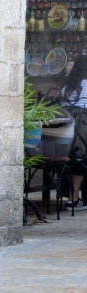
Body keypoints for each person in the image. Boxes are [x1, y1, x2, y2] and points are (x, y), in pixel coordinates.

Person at [60, 54, 87, 210]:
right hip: (82, 139)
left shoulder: (66, 88)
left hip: (66, 140)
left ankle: (72, 196)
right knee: (81, 158)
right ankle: (74, 198)